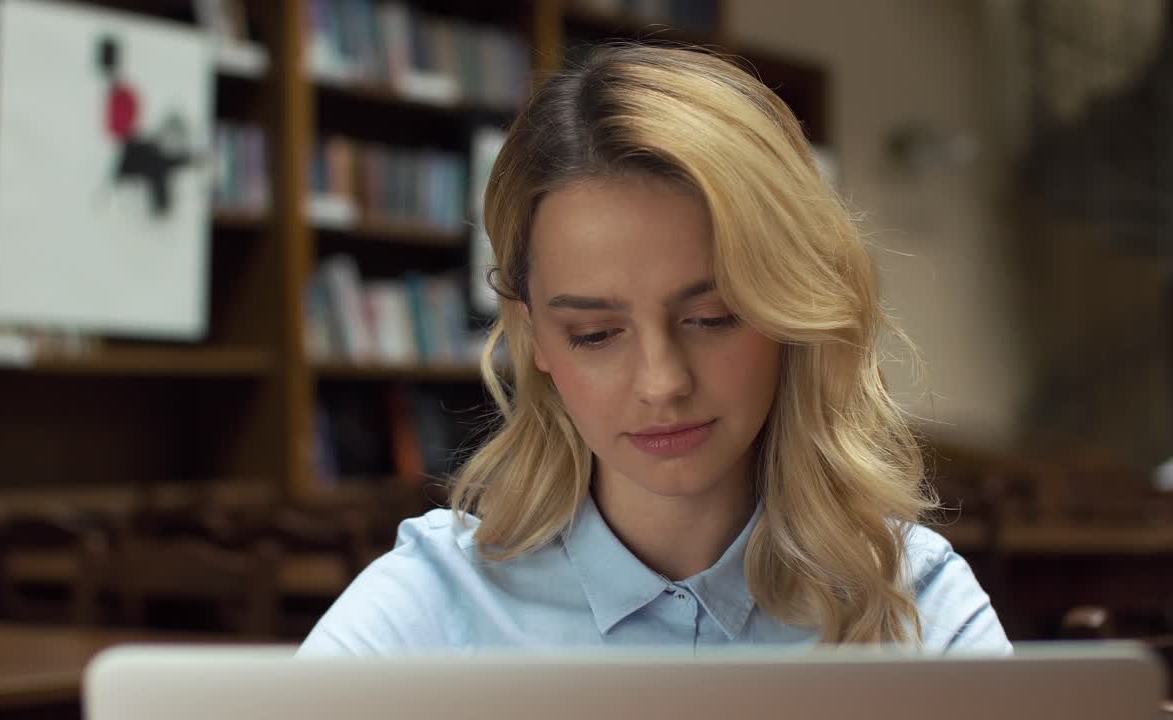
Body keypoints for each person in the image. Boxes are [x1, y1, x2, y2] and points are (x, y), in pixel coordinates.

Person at [298, 43, 1010, 655]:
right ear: (534, 334)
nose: (663, 383)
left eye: (714, 317)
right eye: (596, 334)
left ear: (789, 308)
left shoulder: (913, 600)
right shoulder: (429, 606)